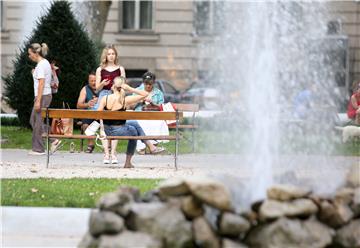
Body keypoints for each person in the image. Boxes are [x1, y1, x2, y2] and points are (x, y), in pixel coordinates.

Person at [97, 76, 164, 167]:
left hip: (107, 129)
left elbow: (97, 114)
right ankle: (128, 162)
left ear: (113, 86)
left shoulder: (105, 98)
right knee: (134, 132)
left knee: (133, 122)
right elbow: (145, 95)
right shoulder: (125, 100)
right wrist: (131, 89)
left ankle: (150, 146)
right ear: (124, 86)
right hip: (118, 131)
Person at [28, 43, 61, 155]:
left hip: (42, 96)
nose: (29, 56)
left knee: (36, 122)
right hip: (45, 95)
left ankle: (39, 149)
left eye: (30, 53)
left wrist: (38, 100)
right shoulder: (44, 63)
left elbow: (42, 83)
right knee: (34, 120)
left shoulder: (41, 64)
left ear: (36, 53)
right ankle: (53, 140)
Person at [95, 44, 126, 154]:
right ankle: (106, 150)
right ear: (105, 56)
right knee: (103, 123)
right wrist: (103, 83)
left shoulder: (120, 69)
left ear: (115, 55)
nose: (111, 56)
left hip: (116, 95)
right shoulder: (100, 69)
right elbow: (96, 88)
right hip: (104, 94)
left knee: (115, 123)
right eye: (109, 54)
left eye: (113, 54)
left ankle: (113, 150)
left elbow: (124, 85)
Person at [131, 72, 169, 154]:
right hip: (140, 115)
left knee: (159, 122)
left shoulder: (158, 93)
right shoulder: (137, 91)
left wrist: (154, 104)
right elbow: (130, 106)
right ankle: (142, 147)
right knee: (140, 124)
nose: (148, 86)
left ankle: (152, 144)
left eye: (150, 84)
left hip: (153, 115)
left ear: (154, 83)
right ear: (143, 82)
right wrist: (139, 101)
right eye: (146, 84)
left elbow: (162, 107)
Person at [76, 72, 98, 153]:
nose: (93, 83)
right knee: (85, 125)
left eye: (95, 80)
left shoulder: (103, 88)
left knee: (107, 125)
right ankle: (91, 144)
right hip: (89, 114)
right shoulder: (85, 89)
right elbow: (78, 105)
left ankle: (109, 147)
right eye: (91, 81)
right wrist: (87, 104)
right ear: (88, 81)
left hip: (101, 115)